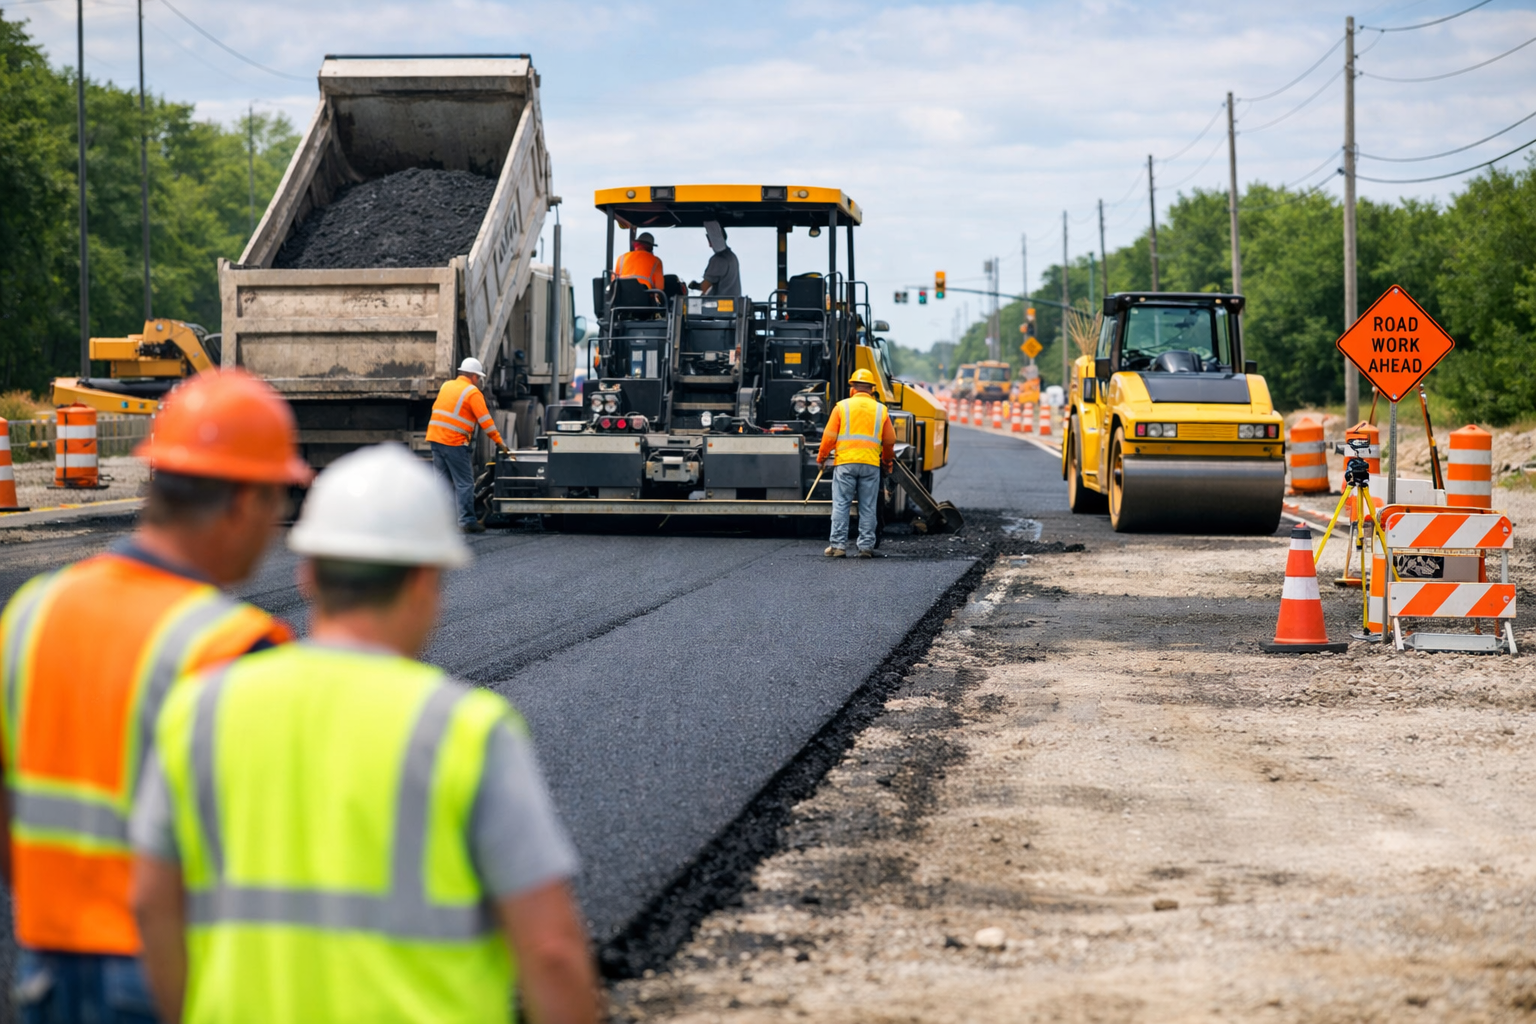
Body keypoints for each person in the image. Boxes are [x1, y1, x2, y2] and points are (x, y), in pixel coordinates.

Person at [131, 444, 600, 1024]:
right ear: (427, 581)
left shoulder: (198, 710)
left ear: (306, 574)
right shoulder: (466, 732)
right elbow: (551, 951)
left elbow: (151, 905)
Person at [0, 370, 311, 1024]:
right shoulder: (233, 647)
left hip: (47, 965)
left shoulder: (32, 613)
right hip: (172, 974)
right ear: (243, 503)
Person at [817, 368, 895, 558]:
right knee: (867, 506)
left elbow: (828, 437)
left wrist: (822, 458)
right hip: (870, 465)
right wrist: (886, 462)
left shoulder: (841, 407)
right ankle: (866, 547)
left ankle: (838, 546)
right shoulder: (880, 410)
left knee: (841, 504)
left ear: (852, 389)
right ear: (872, 390)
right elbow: (890, 440)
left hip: (845, 464)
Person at [427, 356, 509, 533]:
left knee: (442, 483)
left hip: (435, 438)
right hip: (454, 442)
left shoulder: (446, 386)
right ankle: (467, 521)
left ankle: (442, 522)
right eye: (479, 378)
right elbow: (486, 421)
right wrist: (500, 443)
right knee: (464, 483)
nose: (479, 381)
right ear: (473, 376)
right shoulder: (472, 393)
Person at [691, 220, 740, 298]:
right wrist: (697, 286)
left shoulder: (718, 259)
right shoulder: (732, 256)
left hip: (720, 307)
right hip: (734, 305)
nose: (710, 245)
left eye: (710, 241)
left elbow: (706, 286)